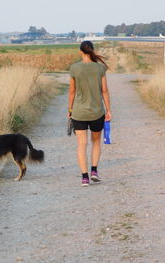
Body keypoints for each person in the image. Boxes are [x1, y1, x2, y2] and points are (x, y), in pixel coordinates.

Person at [68, 41, 111, 187]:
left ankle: (84, 178)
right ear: (92, 51)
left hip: (79, 112)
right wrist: (109, 110)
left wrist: (69, 110)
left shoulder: (74, 68)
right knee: (96, 142)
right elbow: (104, 90)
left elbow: (72, 91)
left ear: (80, 51)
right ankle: (94, 171)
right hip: (97, 112)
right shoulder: (100, 68)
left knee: (81, 144)